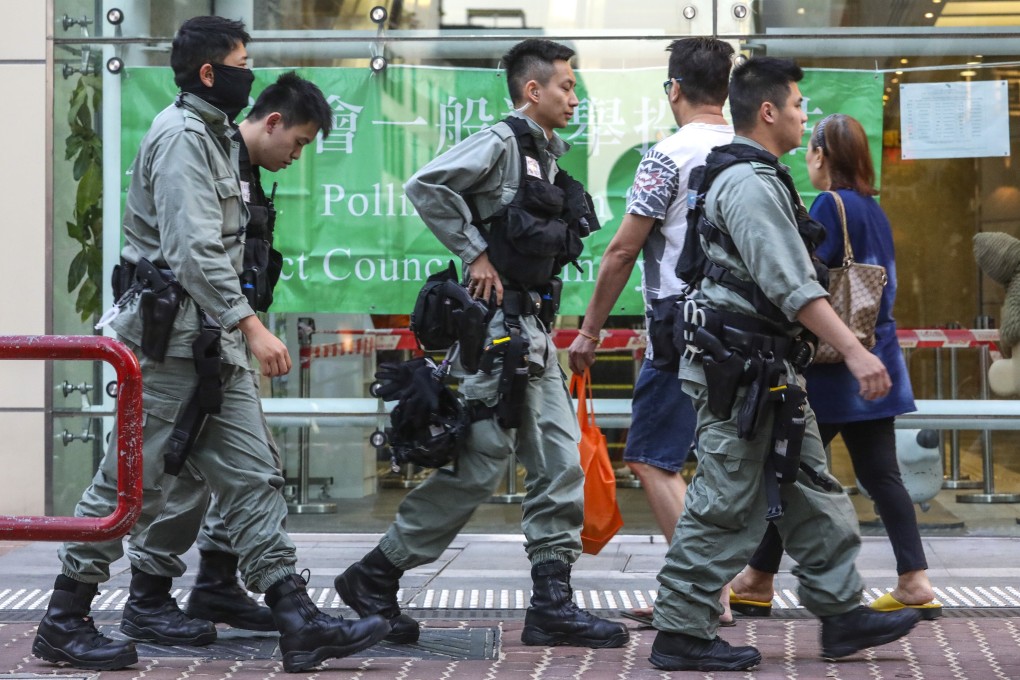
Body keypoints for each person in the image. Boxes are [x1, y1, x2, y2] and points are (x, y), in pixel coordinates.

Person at [31, 17, 389, 673]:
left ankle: (294, 617)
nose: (248, 73)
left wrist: (237, 329)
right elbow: (193, 249)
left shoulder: (218, 138)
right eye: (241, 61)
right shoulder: (179, 139)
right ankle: (62, 617)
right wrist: (250, 325)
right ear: (209, 72)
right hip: (171, 348)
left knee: (253, 476)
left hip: (208, 346)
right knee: (124, 485)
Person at [334, 38, 629, 650]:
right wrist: (475, 254)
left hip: (533, 335)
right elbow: (427, 186)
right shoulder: (501, 142)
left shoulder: (544, 155)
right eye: (566, 86)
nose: (575, 97)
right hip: (497, 338)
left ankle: (552, 603)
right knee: (479, 465)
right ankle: (376, 574)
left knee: (559, 463)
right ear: (533, 90)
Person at [647, 57, 920, 672]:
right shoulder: (747, 182)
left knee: (812, 491)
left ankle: (841, 615)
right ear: (767, 111)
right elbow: (791, 283)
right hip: (740, 373)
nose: (804, 114)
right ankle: (680, 632)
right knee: (723, 503)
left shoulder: (764, 177)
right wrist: (853, 351)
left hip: (764, 371)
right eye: (797, 104)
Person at [123, 71, 335, 637]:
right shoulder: (193, 144)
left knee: (240, 466)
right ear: (273, 122)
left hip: (216, 337)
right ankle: (113, 601)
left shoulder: (232, 157)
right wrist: (250, 326)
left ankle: (217, 585)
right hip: (183, 336)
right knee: (153, 475)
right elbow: (192, 251)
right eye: (298, 142)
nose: (297, 155)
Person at [729, 113, 940, 620]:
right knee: (882, 475)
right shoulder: (874, 208)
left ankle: (757, 579)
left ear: (822, 156)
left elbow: (804, 280)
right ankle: (915, 579)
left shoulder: (830, 204)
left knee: (792, 475)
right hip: (879, 360)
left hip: (833, 369)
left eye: (811, 150)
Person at [566, 37, 734, 627]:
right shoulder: (751, 155)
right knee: (716, 460)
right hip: (743, 327)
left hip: (680, 322)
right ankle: (712, 589)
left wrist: (588, 333)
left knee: (652, 458)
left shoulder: (668, 157)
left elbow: (621, 252)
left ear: (675, 90)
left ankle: (700, 594)